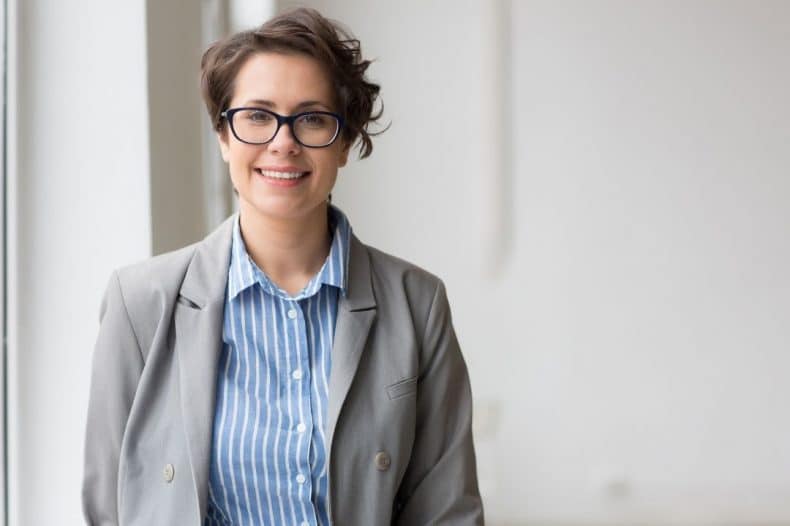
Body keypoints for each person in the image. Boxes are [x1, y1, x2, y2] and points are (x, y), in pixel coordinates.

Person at [82, 7, 483, 526]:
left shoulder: (416, 303)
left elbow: (446, 512)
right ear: (224, 136)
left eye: (313, 117)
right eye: (257, 116)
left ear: (344, 142)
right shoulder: (140, 302)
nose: (283, 141)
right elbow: (104, 510)